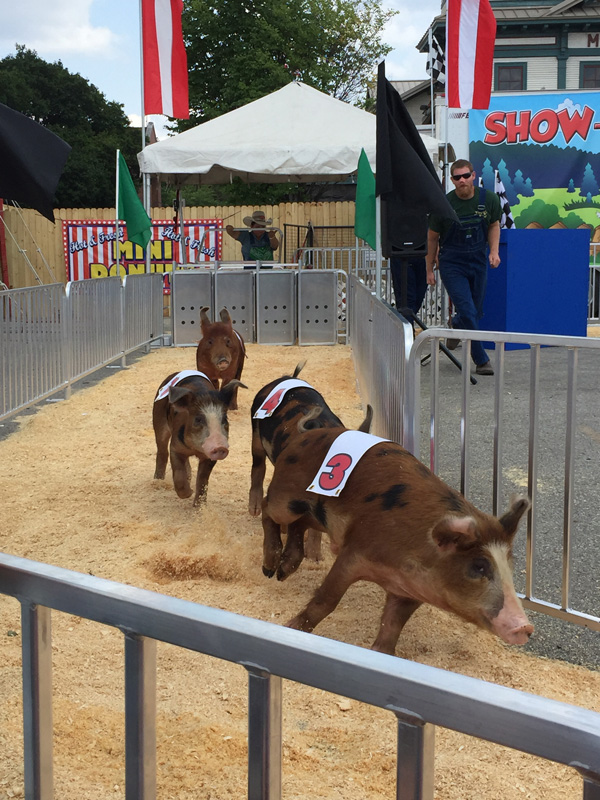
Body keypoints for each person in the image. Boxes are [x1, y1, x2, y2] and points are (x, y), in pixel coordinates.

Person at [426, 159, 501, 376]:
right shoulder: (443, 205)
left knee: (475, 312)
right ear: (452, 180)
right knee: (468, 310)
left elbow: (494, 225)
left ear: (473, 175)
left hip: (477, 262)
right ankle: (481, 360)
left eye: (465, 176)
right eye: (457, 177)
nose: (462, 181)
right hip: (452, 264)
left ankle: (456, 324)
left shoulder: (489, 200)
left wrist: (494, 252)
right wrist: (429, 268)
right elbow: (432, 239)